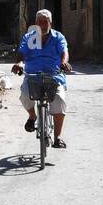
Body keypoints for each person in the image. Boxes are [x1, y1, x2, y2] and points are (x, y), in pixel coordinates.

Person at [11, 8, 70, 148]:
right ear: (36, 23)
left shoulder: (58, 37)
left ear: (50, 23)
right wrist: (19, 63)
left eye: (46, 21)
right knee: (25, 94)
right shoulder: (29, 37)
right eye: (40, 22)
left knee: (59, 100)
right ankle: (32, 116)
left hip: (54, 76)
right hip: (33, 76)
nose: (43, 24)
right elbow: (22, 52)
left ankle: (58, 137)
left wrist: (64, 63)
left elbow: (64, 51)